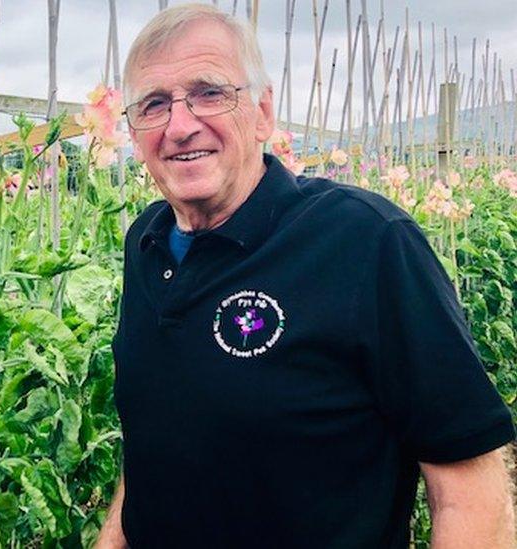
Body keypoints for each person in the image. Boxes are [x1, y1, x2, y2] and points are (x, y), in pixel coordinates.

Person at [96, 4, 516, 548]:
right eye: (154, 104)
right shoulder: (146, 242)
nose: (180, 125)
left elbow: (469, 490)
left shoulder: (366, 241)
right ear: (133, 132)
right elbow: (157, 438)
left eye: (209, 93)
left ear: (263, 112)